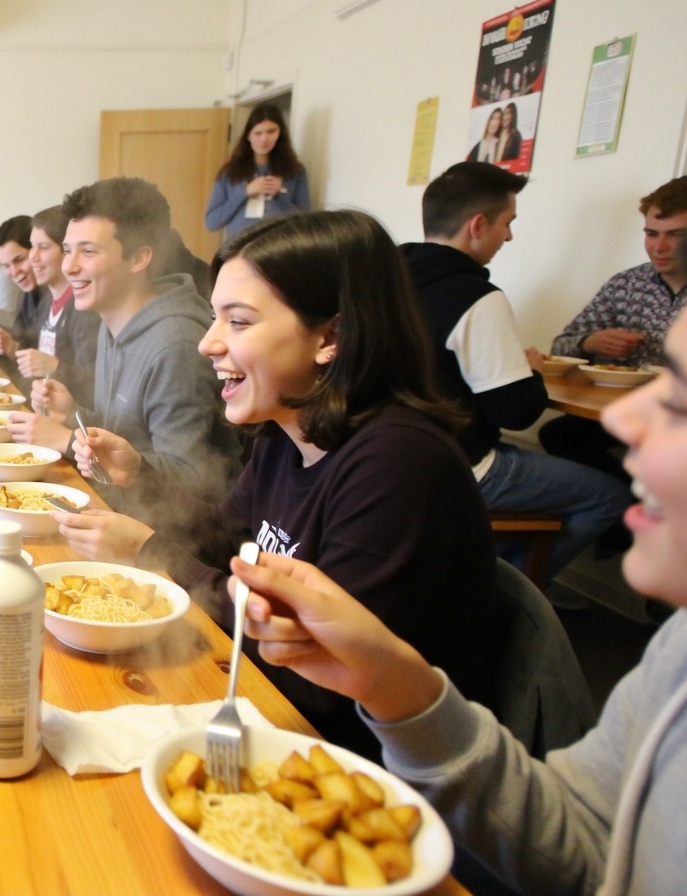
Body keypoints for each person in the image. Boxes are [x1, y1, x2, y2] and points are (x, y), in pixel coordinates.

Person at [226, 221, 687, 895]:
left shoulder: (398, 460)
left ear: (330, 336)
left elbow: (315, 705)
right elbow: (588, 845)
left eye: (686, 400)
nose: (626, 422)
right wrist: (400, 687)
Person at [60, 210, 508, 760]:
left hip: (361, 762)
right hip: (272, 705)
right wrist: (140, 478)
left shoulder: (400, 466)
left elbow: (318, 679)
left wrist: (147, 549)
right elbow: (226, 541)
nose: (208, 344)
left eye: (239, 322)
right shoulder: (285, 433)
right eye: (214, 318)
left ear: (332, 336)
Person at [403, 162, 628, 582]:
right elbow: (515, 412)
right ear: (477, 225)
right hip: (456, 465)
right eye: (507, 223)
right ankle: (508, 594)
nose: (508, 236)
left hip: (393, 455)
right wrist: (531, 371)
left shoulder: (387, 279)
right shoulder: (475, 297)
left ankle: (490, 569)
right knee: (611, 495)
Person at [10, 177, 238, 515]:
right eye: (68, 250)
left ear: (139, 258)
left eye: (88, 251)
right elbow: (121, 433)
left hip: (159, 539)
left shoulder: (175, 344)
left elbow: (194, 481)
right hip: (111, 506)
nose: (68, 266)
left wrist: (66, 440)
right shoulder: (112, 321)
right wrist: (72, 414)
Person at [543, 172, 687, 483]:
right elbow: (560, 347)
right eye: (651, 233)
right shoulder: (628, 283)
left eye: (677, 235)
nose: (659, 247)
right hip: (632, 412)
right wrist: (592, 342)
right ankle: (626, 510)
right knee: (560, 434)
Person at [9, 205, 100, 397]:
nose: (32, 257)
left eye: (43, 247)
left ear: (66, 251)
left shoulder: (85, 307)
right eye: (32, 246)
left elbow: (95, 384)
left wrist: (54, 366)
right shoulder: (46, 299)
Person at [204, 103, 311, 243]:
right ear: (248, 135)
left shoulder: (295, 172)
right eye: (258, 133)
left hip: (279, 251)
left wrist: (281, 194)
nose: (264, 139)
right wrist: (245, 192)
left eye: (271, 131)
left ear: (280, 133)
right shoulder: (230, 173)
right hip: (239, 251)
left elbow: (306, 223)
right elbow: (212, 222)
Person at [0, 215, 47, 390]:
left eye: (19, 260)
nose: (14, 272)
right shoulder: (29, 295)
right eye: (5, 266)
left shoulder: (63, 298)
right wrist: (9, 345)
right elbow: (24, 349)